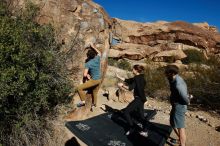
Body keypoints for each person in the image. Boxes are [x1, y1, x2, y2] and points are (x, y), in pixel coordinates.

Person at [116, 64, 148, 137]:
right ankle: (145, 131)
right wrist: (119, 77)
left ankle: (132, 127)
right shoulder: (141, 77)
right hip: (141, 98)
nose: (132, 70)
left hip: (138, 99)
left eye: (133, 69)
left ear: (136, 70)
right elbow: (128, 80)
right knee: (142, 116)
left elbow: (130, 87)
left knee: (126, 112)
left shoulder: (137, 78)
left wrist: (122, 85)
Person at [165, 65, 189, 146]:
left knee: (180, 127)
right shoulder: (173, 79)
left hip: (180, 106)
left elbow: (184, 96)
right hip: (175, 105)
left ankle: (182, 144)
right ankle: (180, 140)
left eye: (167, 73)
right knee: (172, 123)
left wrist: (187, 101)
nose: (165, 74)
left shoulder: (178, 83)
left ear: (172, 73)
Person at [76, 43, 101, 111]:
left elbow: (84, 74)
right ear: (94, 55)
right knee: (94, 92)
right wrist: (93, 47)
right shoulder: (97, 59)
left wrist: (87, 75)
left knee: (79, 88)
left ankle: (83, 101)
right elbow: (99, 53)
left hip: (94, 80)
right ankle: (94, 105)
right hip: (99, 79)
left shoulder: (88, 63)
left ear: (88, 56)